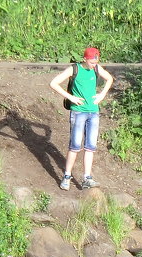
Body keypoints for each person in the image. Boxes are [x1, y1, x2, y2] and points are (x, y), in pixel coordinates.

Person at [49, 47, 114, 191]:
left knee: (90, 147)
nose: (94, 65)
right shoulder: (74, 69)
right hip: (78, 112)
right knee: (75, 146)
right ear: (85, 59)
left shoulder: (96, 68)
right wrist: (71, 97)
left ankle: (87, 178)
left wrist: (101, 95)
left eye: (96, 62)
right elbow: (53, 83)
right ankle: (66, 177)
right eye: (91, 62)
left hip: (93, 112)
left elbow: (109, 79)